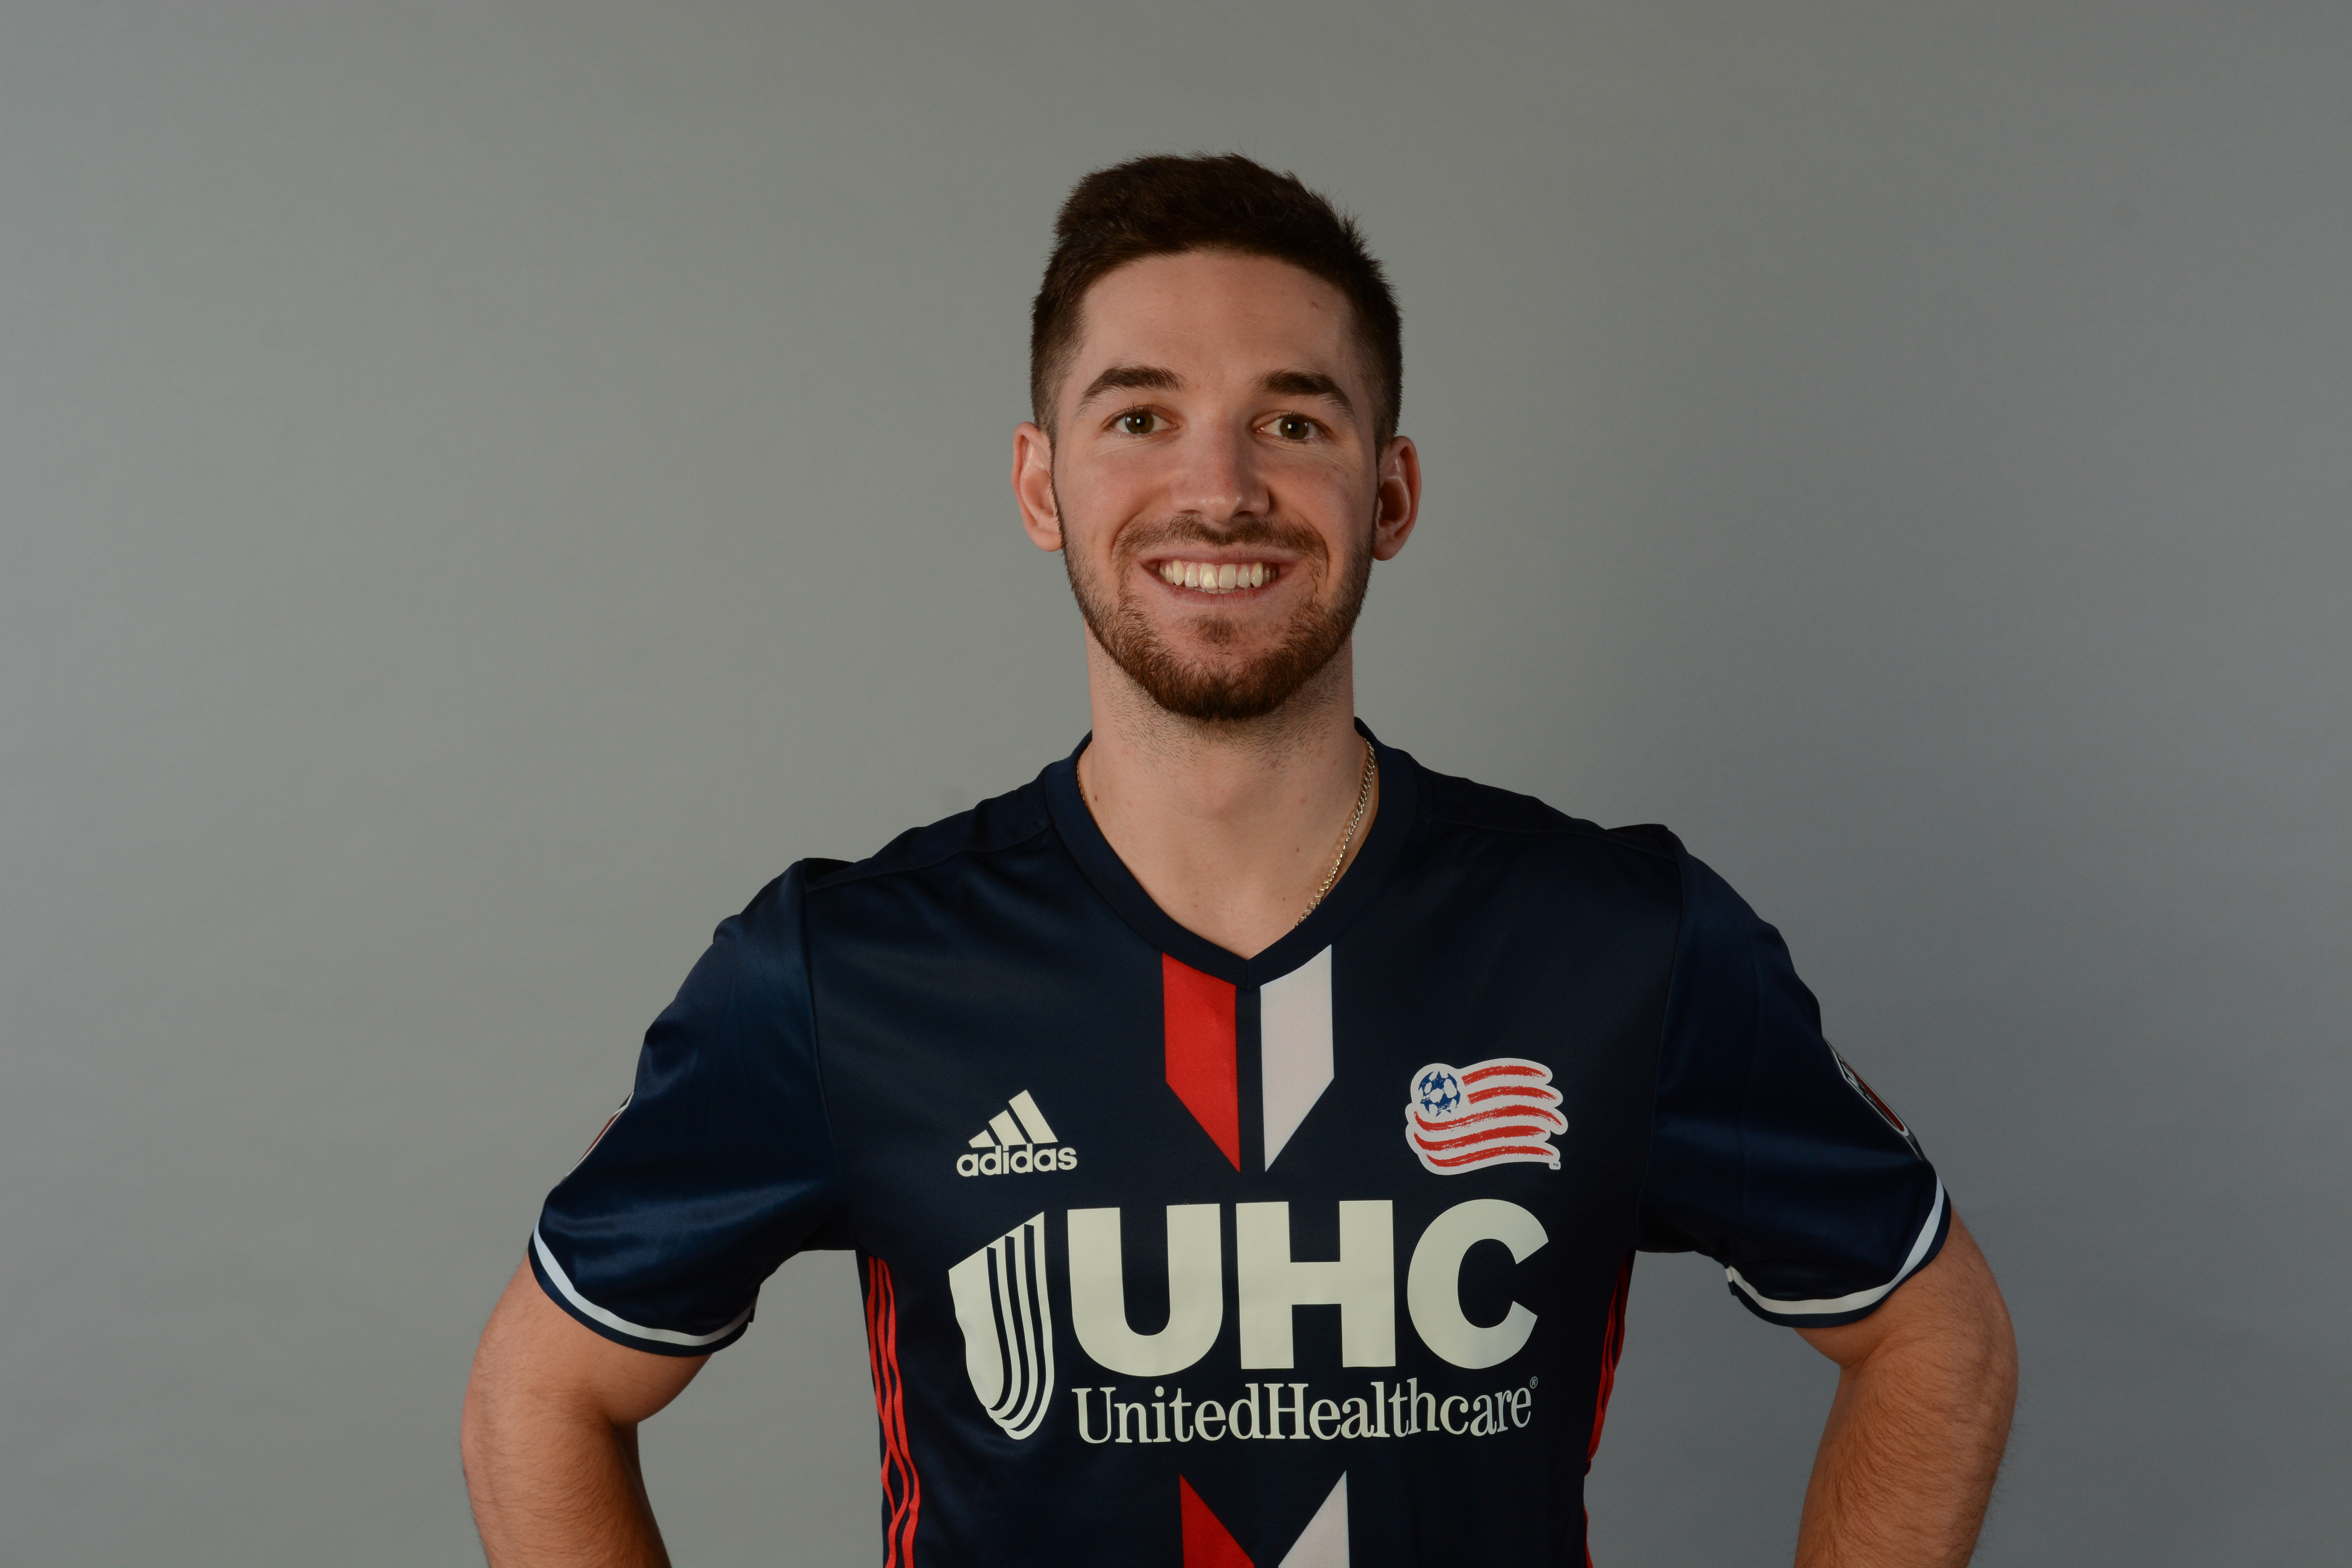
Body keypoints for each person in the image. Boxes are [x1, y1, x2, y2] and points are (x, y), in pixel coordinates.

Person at [460, 153, 2017, 1568]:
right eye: (1140, 417)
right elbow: (540, 1393)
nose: (1220, 490)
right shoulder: (842, 970)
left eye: (1294, 420)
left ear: (1389, 493)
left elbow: (1937, 1335)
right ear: (1041, 485)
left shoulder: (1622, 943)